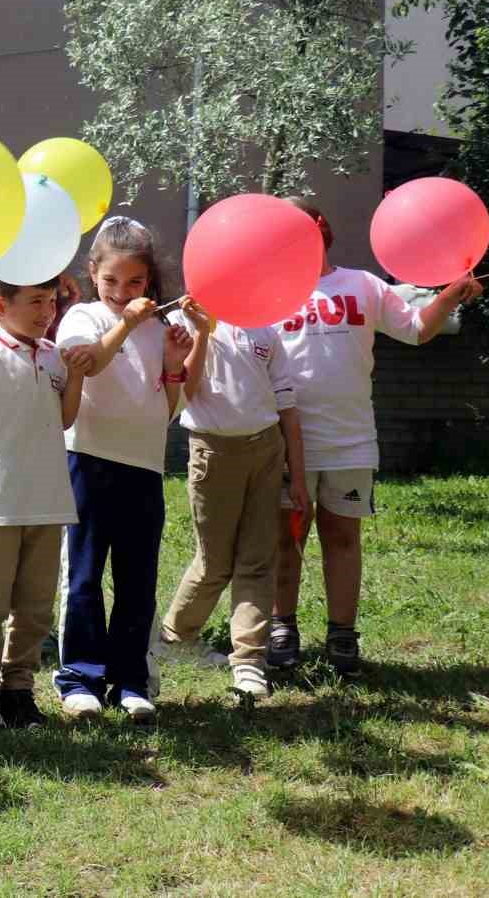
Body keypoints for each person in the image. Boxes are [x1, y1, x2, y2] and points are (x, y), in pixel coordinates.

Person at [270, 199, 482, 672]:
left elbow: (415, 330)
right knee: (287, 538)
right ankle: (281, 626)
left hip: (350, 441)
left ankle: (342, 635)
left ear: (321, 230)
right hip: (287, 444)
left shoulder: (362, 284)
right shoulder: (269, 293)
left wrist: (447, 295)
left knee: (343, 536)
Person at [52, 217, 196, 723]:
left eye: (134, 282)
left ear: (149, 281)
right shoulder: (82, 317)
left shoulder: (159, 329)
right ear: (93, 273)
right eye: (111, 280)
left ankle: (130, 680)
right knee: (84, 577)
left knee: (138, 580)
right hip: (86, 461)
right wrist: (129, 322)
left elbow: (169, 408)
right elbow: (89, 363)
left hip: (144, 469)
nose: (121, 291)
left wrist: (177, 362)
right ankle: (79, 678)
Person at [0, 273, 91, 734]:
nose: (46, 311)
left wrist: (78, 376)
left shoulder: (52, 356)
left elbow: (65, 418)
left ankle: (18, 689)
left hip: (46, 502)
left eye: (50, 301)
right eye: (35, 301)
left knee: (35, 608)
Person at [153, 298, 309, 701]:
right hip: (213, 451)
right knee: (214, 561)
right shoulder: (181, 322)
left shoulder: (264, 326)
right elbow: (185, 389)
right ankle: (175, 638)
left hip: (266, 450)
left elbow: (287, 409)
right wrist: (203, 333)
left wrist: (299, 477)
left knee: (258, 560)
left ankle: (249, 661)